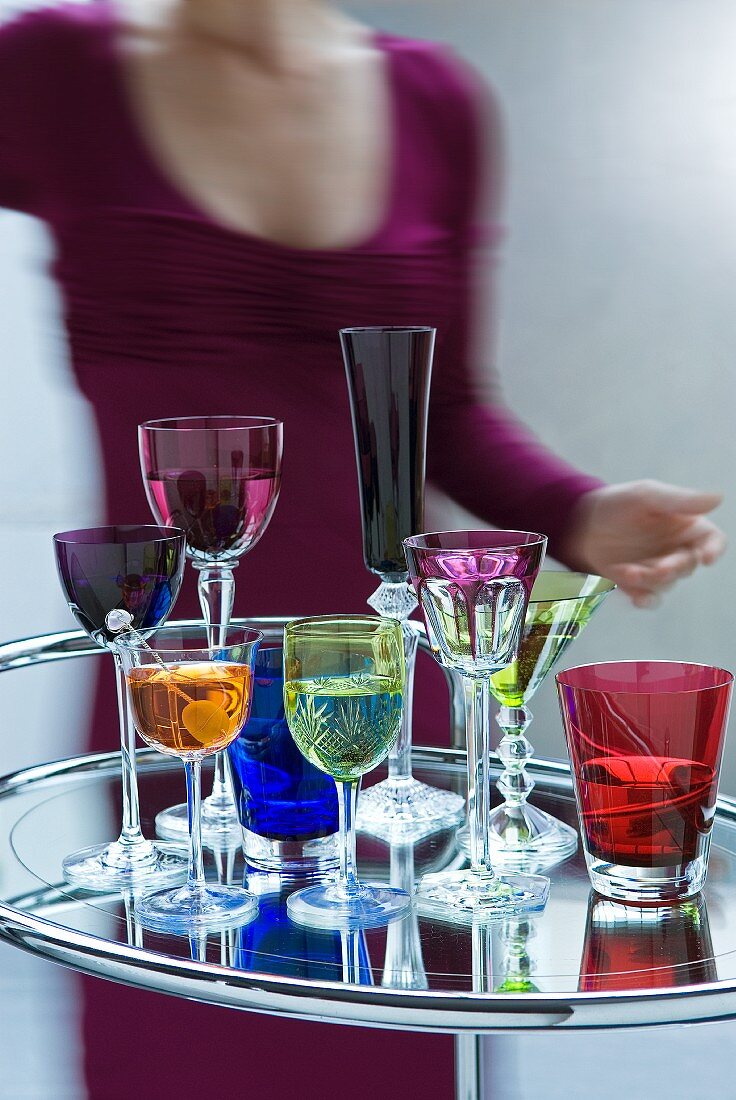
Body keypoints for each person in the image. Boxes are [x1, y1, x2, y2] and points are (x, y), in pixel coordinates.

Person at [0, 1, 726, 1097]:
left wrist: (580, 512)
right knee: (194, 1046)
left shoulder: (432, 99)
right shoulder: (57, 69)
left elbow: (451, 412)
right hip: (189, 708)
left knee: (394, 1038)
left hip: (388, 711)